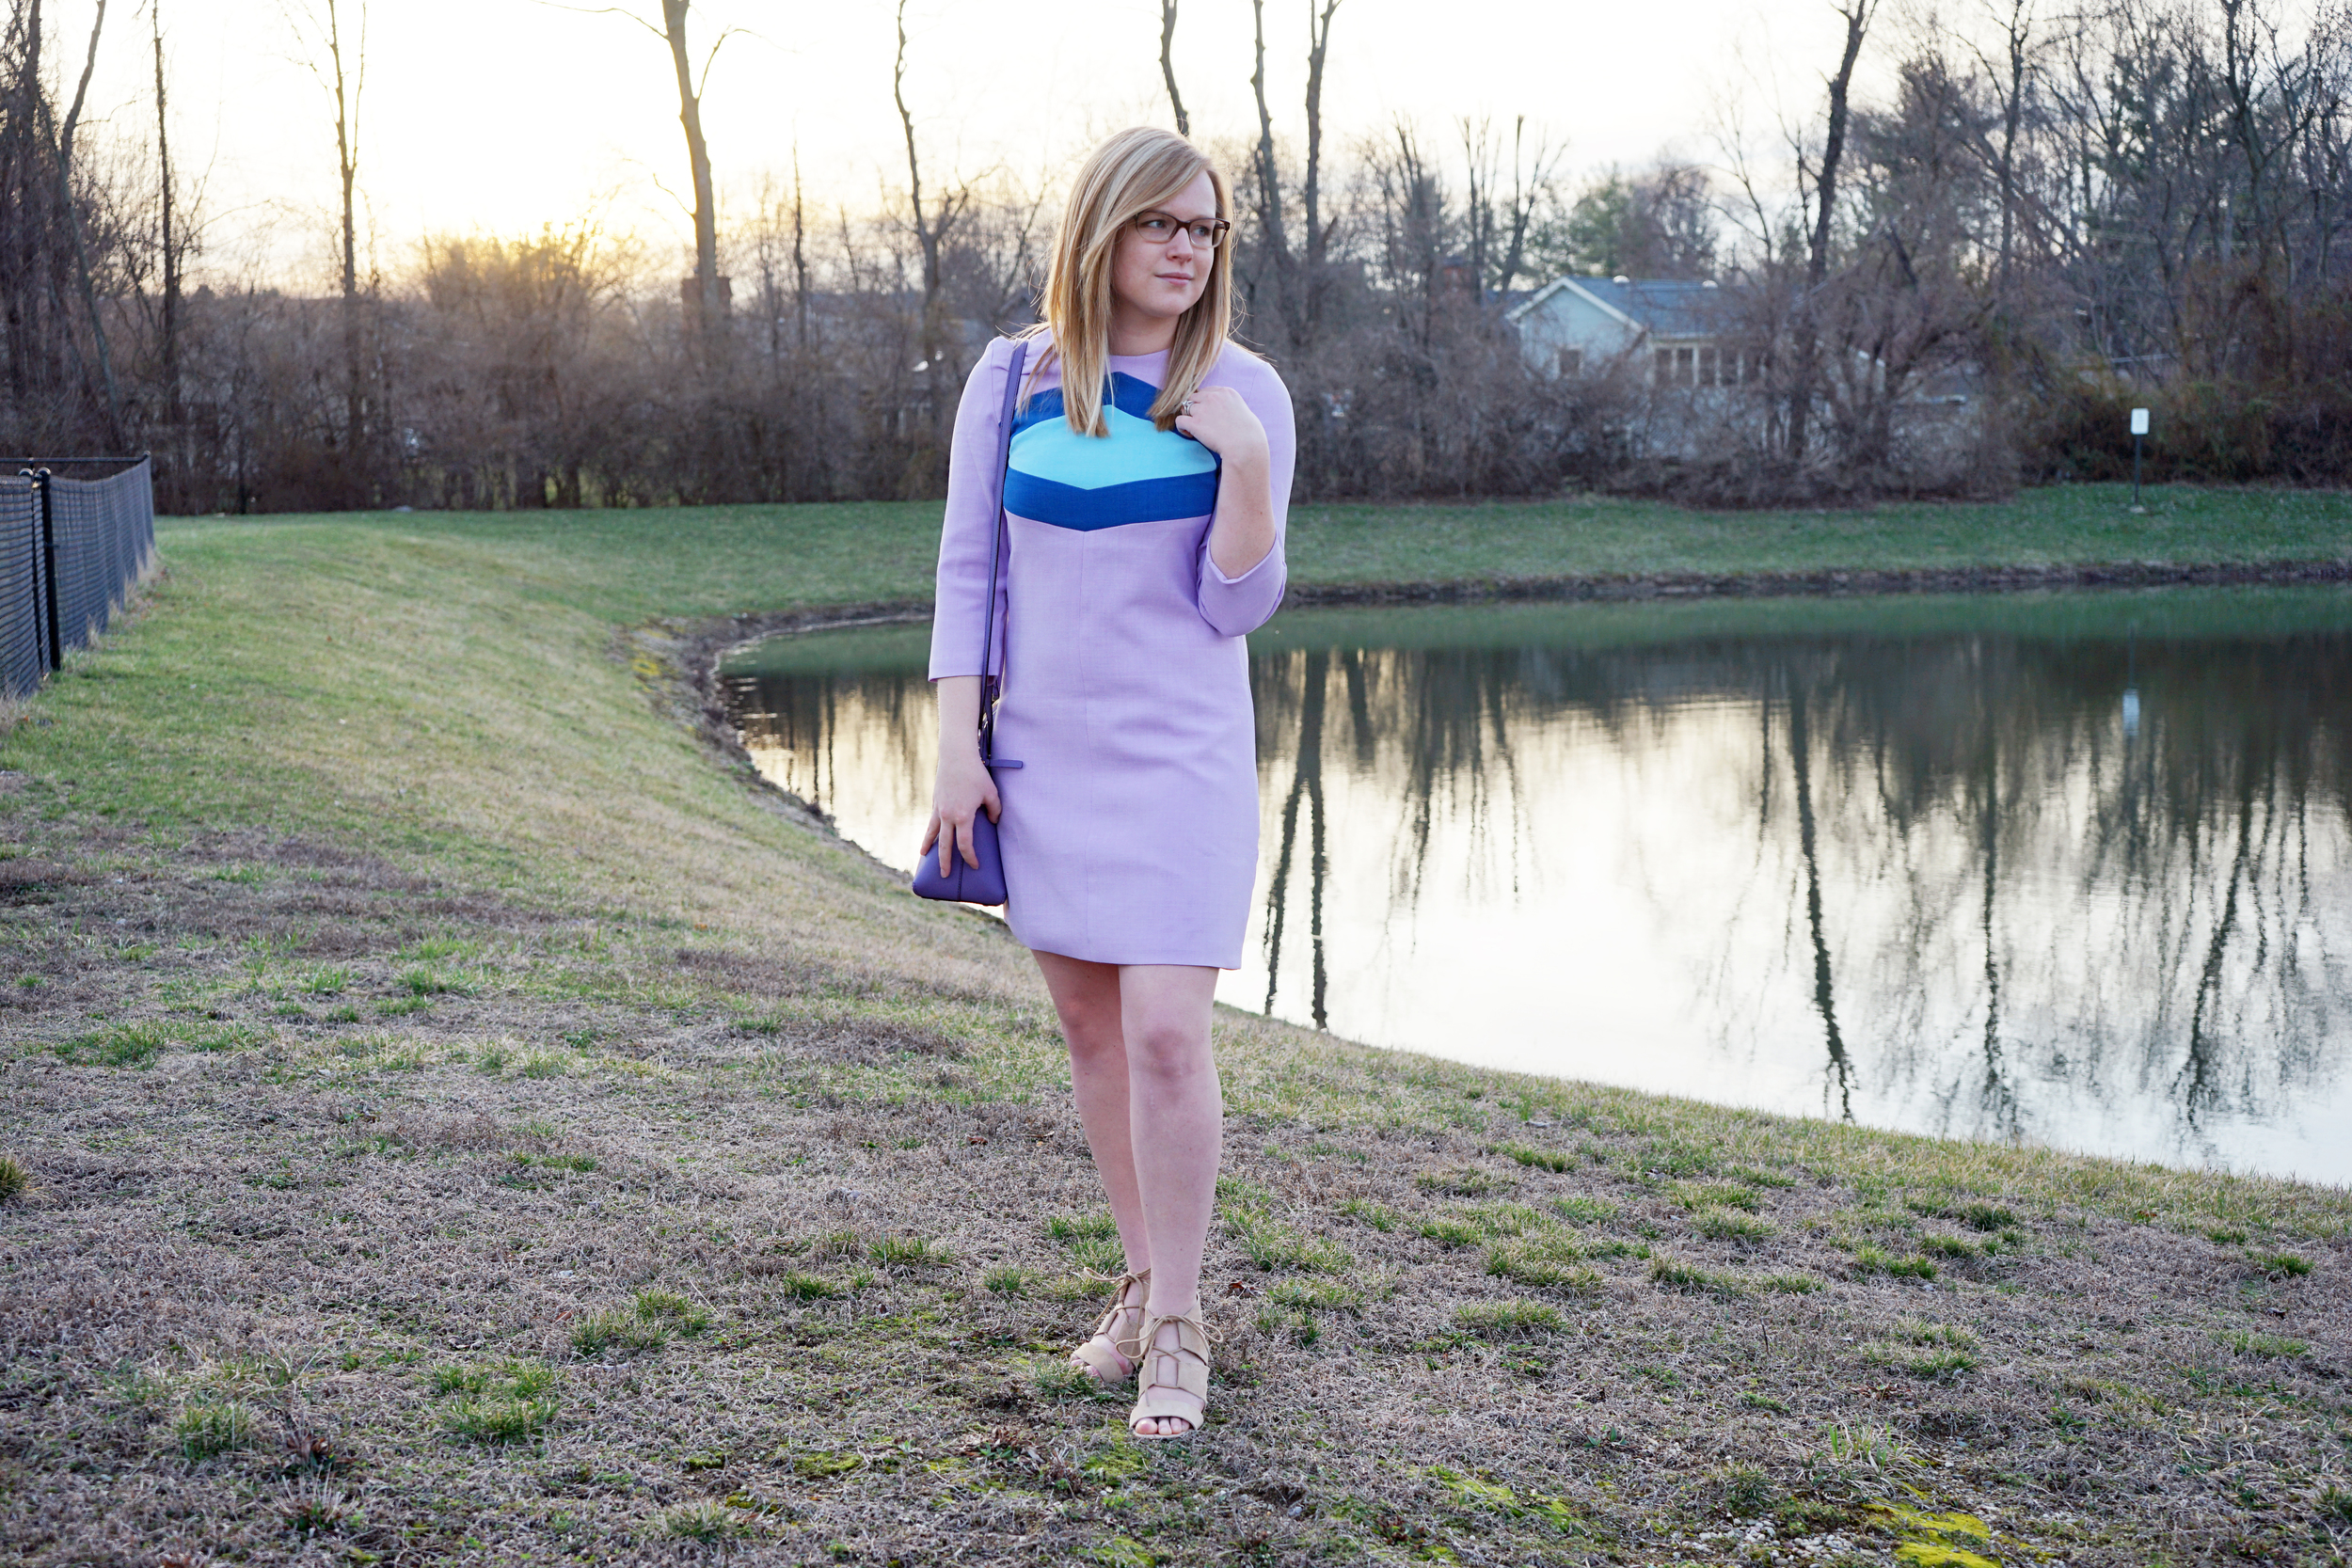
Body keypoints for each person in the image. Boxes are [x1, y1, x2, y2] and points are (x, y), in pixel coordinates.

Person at [921, 126, 1295, 1441]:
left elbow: (1236, 603)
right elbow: (970, 569)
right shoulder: (1014, 376)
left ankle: (1184, 1329)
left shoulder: (1246, 388)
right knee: (1089, 1036)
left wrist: (1241, 462)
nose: (1188, 250)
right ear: (1103, 233)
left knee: (1166, 1036)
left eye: (1207, 231)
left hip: (1180, 759)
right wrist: (956, 744)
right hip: (1041, 757)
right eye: (1163, 226)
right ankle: (1138, 1288)